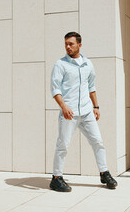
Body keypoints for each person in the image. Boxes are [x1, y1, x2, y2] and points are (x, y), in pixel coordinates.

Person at [49, 31, 118, 192]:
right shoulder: (60, 64)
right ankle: (56, 178)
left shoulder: (88, 64)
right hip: (70, 113)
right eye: (66, 44)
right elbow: (55, 89)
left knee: (98, 142)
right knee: (63, 145)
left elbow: (91, 87)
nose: (67, 47)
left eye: (71, 44)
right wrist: (64, 107)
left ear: (79, 45)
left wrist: (96, 106)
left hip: (87, 112)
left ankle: (104, 173)